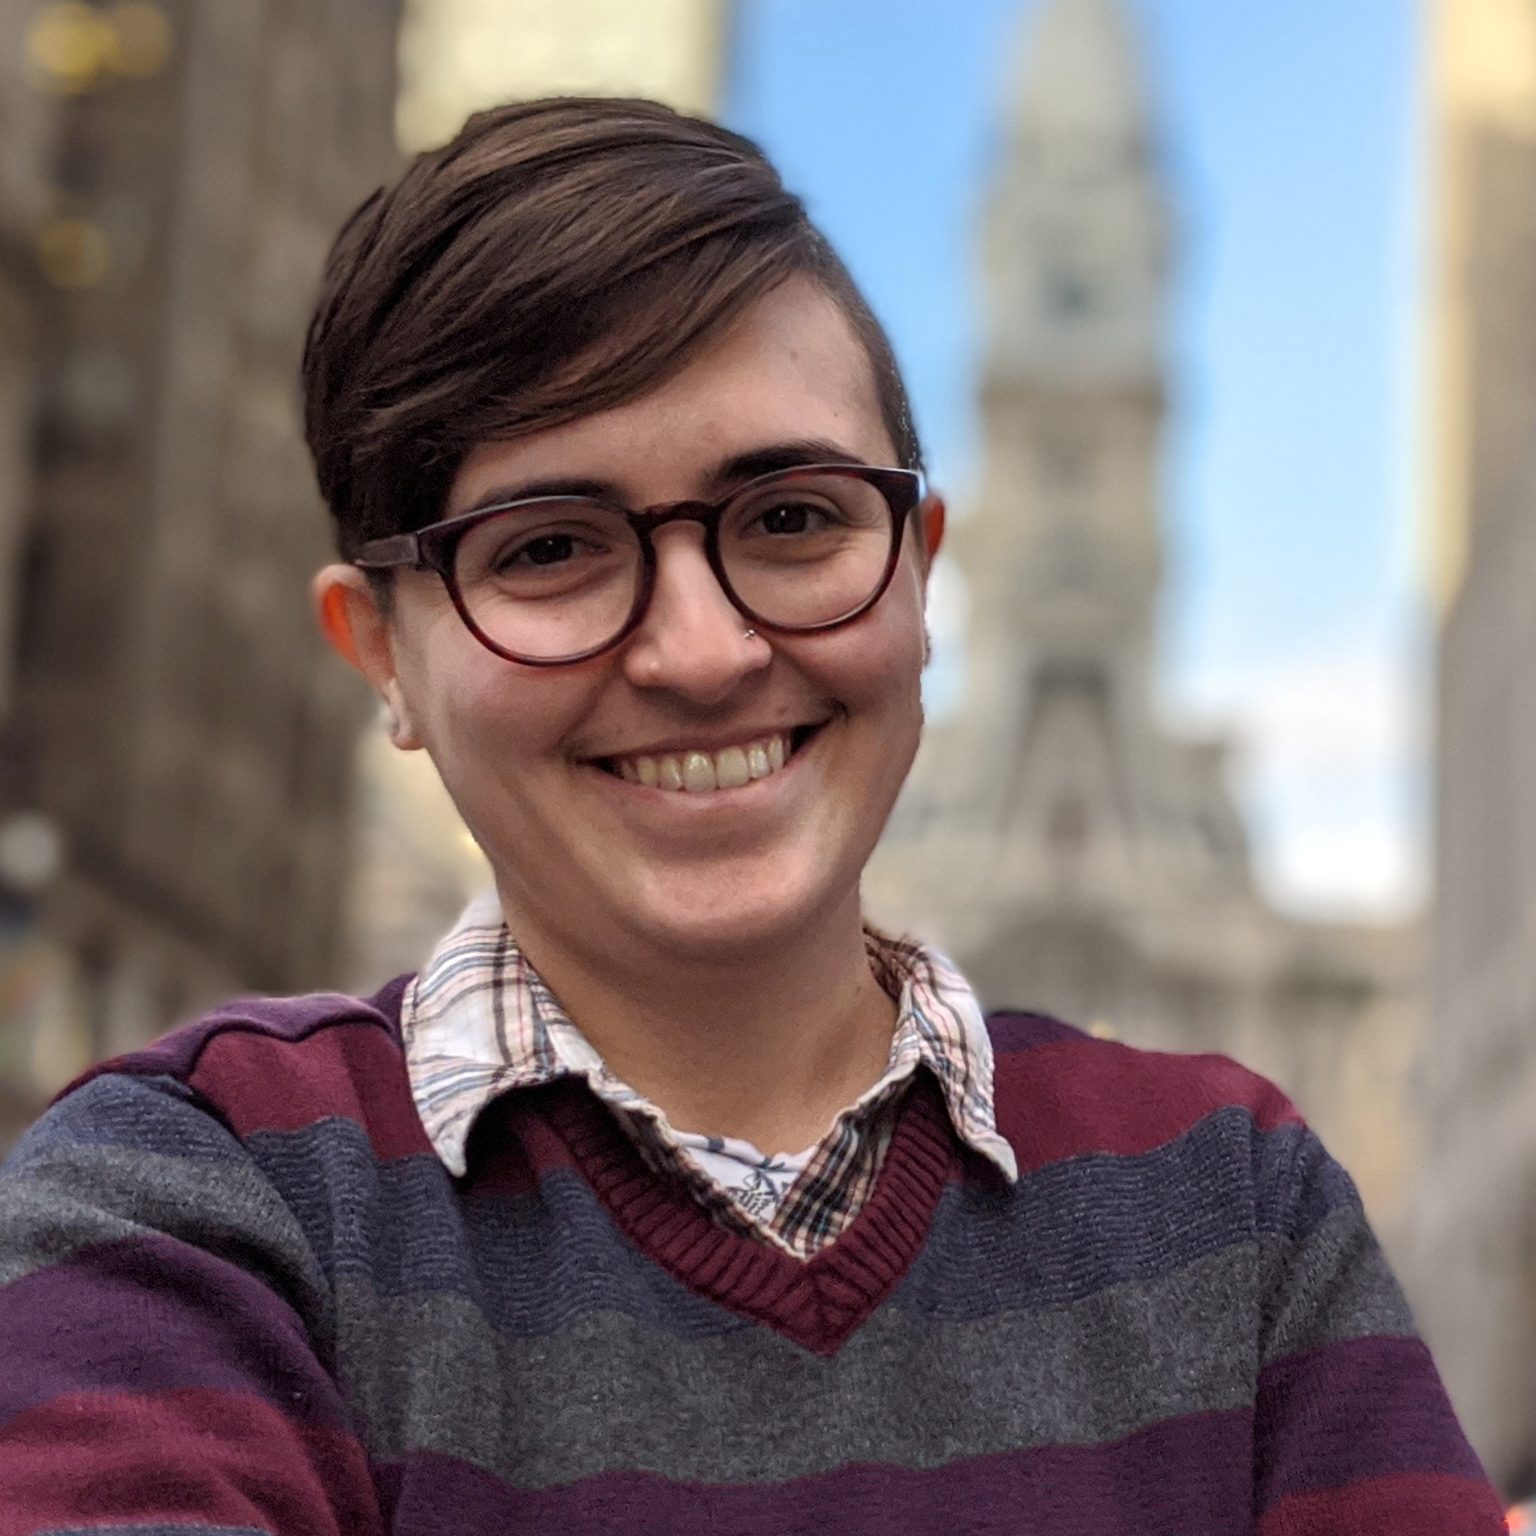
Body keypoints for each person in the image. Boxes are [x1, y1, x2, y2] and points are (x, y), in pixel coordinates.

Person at [0, 97, 1505, 1535]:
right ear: (384, 652)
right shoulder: (195, 1210)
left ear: (919, 568)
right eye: (548, 549)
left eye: (789, 519)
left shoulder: (1238, 1208)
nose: (704, 651)